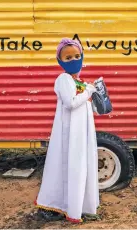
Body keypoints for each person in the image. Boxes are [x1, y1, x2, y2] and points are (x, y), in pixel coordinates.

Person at [34, 38, 99, 223]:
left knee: (79, 166)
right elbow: (71, 103)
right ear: (60, 61)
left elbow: (85, 105)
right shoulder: (63, 79)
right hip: (70, 134)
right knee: (68, 166)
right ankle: (61, 205)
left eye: (77, 56)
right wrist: (88, 92)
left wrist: (93, 93)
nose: (74, 60)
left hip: (81, 133)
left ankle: (80, 206)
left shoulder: (79, 81)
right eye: (68, 57)